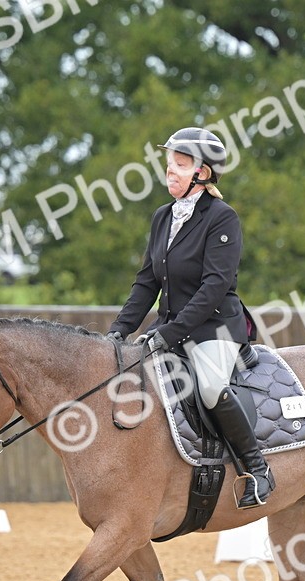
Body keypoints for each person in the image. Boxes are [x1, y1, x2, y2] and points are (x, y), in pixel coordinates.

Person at [107, 127, 274, 508]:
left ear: (203, 173)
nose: (170, 170)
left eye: (180, 165)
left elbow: (214, 286)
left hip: (214, 327)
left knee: (211, 388)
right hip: (170, 328)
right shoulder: (162, 217)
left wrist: (170, 332)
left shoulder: (222, 218)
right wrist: (119, 330)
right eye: (169, 163)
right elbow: (147, 282)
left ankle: (257, 468)